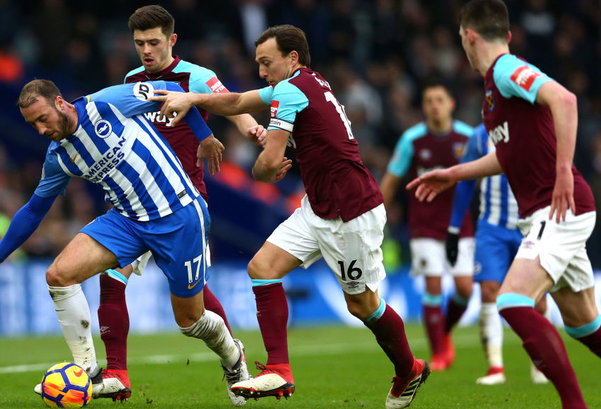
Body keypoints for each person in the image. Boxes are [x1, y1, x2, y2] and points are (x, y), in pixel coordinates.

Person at [152, 25, 429, 409]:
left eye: (267, 63)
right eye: (258, 64)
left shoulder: (289, 89)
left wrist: (264, 168)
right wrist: (192, 98)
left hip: (351, 213)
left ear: (292, 57)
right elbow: (236, 102)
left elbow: (267, 166)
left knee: (362, 304)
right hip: (318, 207)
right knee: (263, 267)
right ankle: (280, 368)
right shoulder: (306, 82)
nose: (262, 72)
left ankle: (409, 369)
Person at [0, 79, 250, 404]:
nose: (41, 129)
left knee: (190, 321)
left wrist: (205, 136)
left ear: (60, 103)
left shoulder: (108, 103)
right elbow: (33, 211)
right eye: (33, 125)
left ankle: (233, 357)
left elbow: (173, 90)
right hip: (128, 221)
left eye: (42, 118)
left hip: (179, 214)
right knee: (58, 276)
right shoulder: (59, 156)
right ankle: (86, 371)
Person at [408, 1, 600, 407]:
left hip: (558, 208)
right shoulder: (494, 89)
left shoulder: (505, 70)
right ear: (508, 34)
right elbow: (507, 154)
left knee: (512, 300)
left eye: (461, 37)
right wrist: (455, 173)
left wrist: (564, 169)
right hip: (546, 214)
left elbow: (564, 100)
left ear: (468, 35)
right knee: (585, 326)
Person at [89, 5, 265, 406]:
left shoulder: (197, 75)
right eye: (139, 44)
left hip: (183, 204)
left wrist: (251, 127)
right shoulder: (132, 80)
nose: (146, 50)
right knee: (111, 276)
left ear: (171, 40)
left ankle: (232, 356)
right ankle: (116, 373)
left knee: (192, 305)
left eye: (154, 42)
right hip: (137, 203)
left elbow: (231, 103)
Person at [378, 82, 475, 372]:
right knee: (433, 284)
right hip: (424, 225)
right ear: (424, 107)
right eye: (429, 100)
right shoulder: (412, 139)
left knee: (465, 289)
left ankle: (443, 332)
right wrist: (377, 215)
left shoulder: (468, 138)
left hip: (460, 224)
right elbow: (392, 178)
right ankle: (439, 353)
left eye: (440, 100)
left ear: (451, 104)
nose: (435, 105)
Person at [447, 124, 550, 385]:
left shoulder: (531, 128)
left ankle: (542, 365)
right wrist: (453, 227)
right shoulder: (480, 136)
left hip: (530, 225)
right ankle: (495, 368)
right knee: (489, 290)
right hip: (491, 228)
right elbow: (464, 183)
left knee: (537, 299)